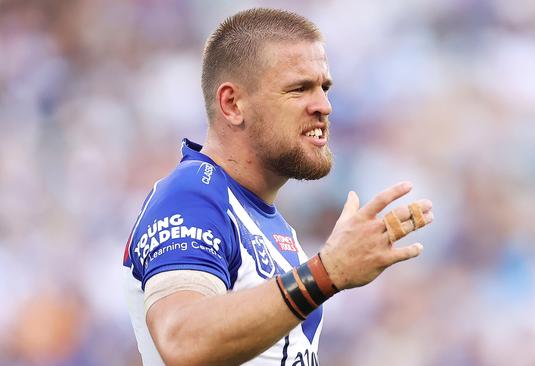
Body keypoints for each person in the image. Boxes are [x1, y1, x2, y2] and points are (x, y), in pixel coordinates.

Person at [122, 8, 433, 366]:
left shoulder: (271, 224)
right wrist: (327, 272)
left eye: (324, 88)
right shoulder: (193, 195)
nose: (324, 106)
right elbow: (182, 340)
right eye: (299, 88)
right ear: (233, 104)